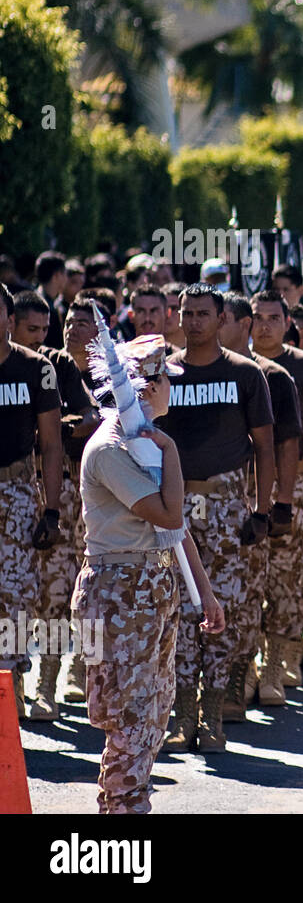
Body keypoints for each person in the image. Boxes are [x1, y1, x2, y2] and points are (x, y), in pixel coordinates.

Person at [73, 335, 224, 812]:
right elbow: (168, 516)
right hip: (119, 590)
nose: (169, 390)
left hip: (150, 584)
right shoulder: (111, 448)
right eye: (163, 381)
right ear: (145, 386)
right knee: (130, 719)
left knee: (153, 715)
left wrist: (205, 593)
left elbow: (174, 537)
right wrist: (173, 452)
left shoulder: (143, 442)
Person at [154, 283, 275, 753]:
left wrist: (263, 510)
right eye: (187, 313)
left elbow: (265, 446)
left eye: (204, 314)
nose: (194, 322)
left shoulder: (246, 375)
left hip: (227, 505)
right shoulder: (163, 373)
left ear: (222, 318)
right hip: (174, 504)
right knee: (179, 608)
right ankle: (181, 713)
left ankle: (213, 714)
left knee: (219, 607)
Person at [10, 293, 98, 720]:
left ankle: (47, 682)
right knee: (23, 596)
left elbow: (89, 417)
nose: (42, 337)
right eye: (33, 329)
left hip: (54, 488)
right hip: (29, 487)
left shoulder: (52, 367)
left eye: (45, 329)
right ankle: (14, 687)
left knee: (55, 591)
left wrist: (58, 426)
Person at [217, 292, 303, 721]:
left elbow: (286, 444)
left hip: (250, 503)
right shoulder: (184, 369)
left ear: (241, 324)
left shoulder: (271, 376)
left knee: (252, 593)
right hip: (200, 505)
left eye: (222, 319)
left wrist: (278, 504)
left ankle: (246, 673)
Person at [249, 290, 303, 701]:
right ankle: (242, 665)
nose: (264, 325)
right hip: (243, 483)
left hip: (293, 482)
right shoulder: (240, 365)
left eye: (272, 317)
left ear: (289, 325)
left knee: (286, 575)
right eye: (257, 317)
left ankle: (275, 662)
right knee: (247, 576)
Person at [0, 285, 64, 718]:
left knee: (14, 596)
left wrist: (52, 509)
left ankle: (11, 685)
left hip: (16, 495)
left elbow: (52, 444)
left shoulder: (35, 369)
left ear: (8, 318)